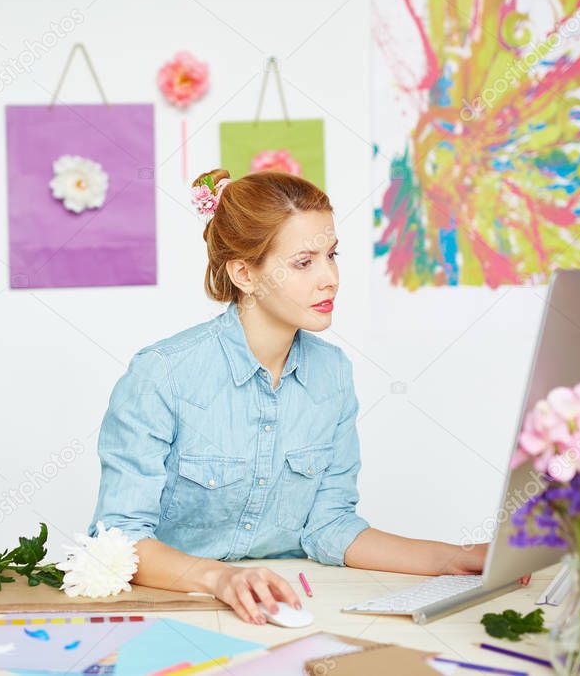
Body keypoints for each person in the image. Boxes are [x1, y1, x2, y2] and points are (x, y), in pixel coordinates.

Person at [89, 168, 504, 626]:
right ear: (245, 273)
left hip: (293, 604)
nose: (330, 278)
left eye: (332, 255)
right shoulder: (163, 374)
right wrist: (220, 579)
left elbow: (328, 526)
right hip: (177, 613)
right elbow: (120, 539)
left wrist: (453, 559)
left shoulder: (333, 375)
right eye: (304, 262)